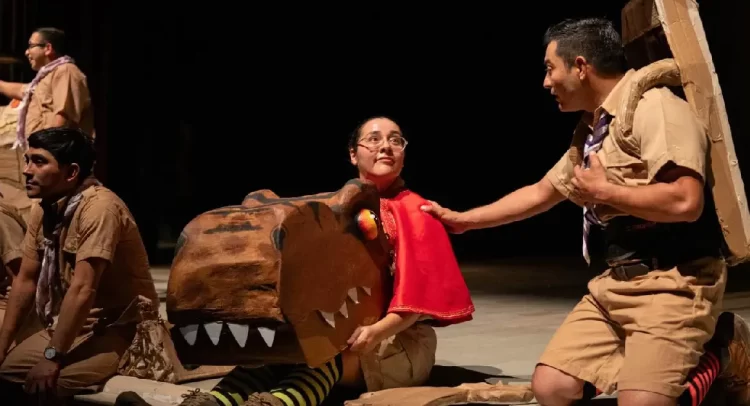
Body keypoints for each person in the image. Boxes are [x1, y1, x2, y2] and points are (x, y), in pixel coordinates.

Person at [421, 18, 750, 406]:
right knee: (552, 388)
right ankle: (648, 367)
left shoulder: (655, 108)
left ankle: (724, 347)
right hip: (617, 284)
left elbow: (685, 201)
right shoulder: (597, 131)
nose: (546, 82)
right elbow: (541, 192)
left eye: (550, 68)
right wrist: (463, 221)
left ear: (580, 66)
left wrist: (606, 192)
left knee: (642, 404)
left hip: (675, 281)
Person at [116, 116, 476, 406]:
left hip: (396, 341)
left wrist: (375, 332)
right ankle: (207, 403)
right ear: (353, 154)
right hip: (350, 331)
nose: (386, 146)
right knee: (277, 350)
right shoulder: (336, 208)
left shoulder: (418, 212)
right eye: (374, 139)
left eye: (396, 140)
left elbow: (416, 302)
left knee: (323, 352)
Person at [0, 127, 159, 404]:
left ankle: (127, 366)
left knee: (48, 384)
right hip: (76, 324)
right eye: (27, 160)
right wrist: (1, 346)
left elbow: (83, 288)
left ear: (71, 172)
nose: (27, 170)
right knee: (6, 372)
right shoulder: (44, 208)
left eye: (39, 161)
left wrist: (52, 356)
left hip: (119, 328)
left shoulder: (99, 208)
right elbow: (25, 280)